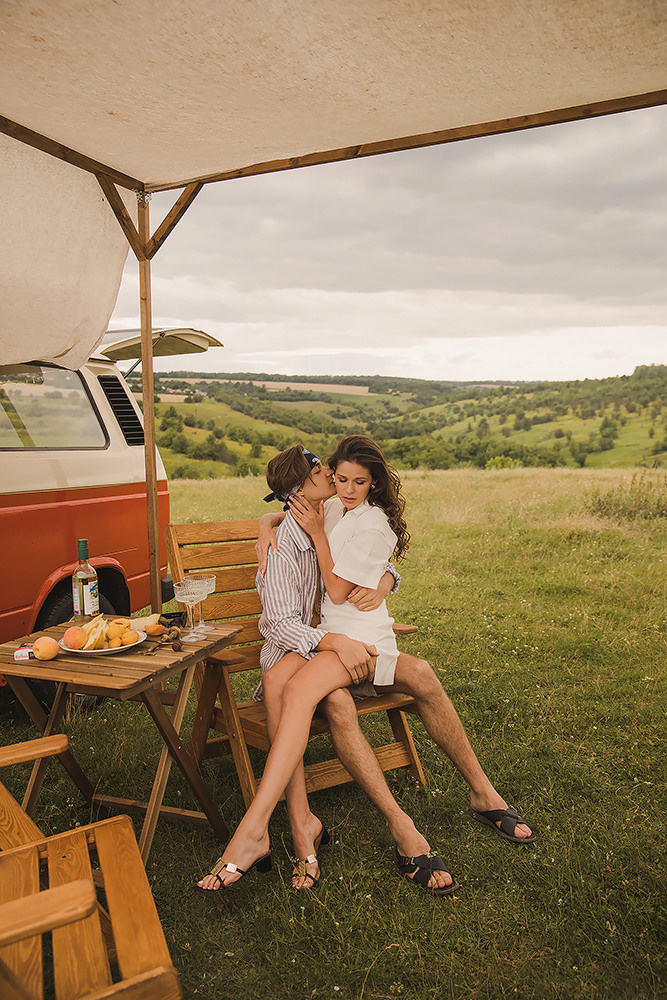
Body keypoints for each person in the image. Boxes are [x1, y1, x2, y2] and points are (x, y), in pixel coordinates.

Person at [197, 440, 458, 896]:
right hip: (298, 646)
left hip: (324, 649)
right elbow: (277, 625)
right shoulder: (282, 546)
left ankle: (282, 829)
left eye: (340, 477)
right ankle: (299, 829)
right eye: (324, 474)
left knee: (302, 687)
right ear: (304, 490)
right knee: (284, 680)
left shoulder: (328, 514)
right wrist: (333, 639)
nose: (333, 478)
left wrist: (387, 579)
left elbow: (376, 551)